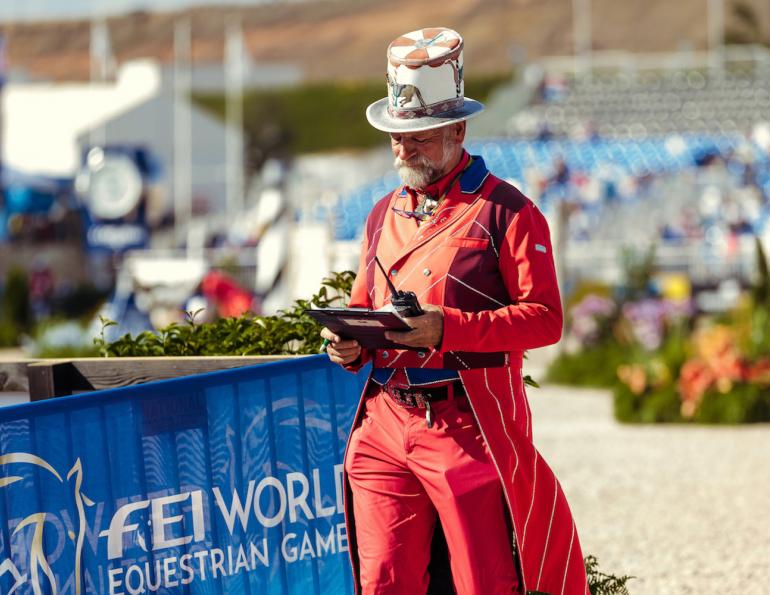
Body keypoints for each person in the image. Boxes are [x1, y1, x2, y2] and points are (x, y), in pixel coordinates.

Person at [321, 27, 589, 595]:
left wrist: (447, 329)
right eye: (397, 134)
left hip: (465, 424)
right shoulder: (377, 214)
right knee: (382, 584)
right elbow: (363, 308)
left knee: (484, 584)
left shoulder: (510, 212)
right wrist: (348, 344)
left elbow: (545, 318)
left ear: (458, 130)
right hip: (383, 423)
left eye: (417, 134)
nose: (403, 147)